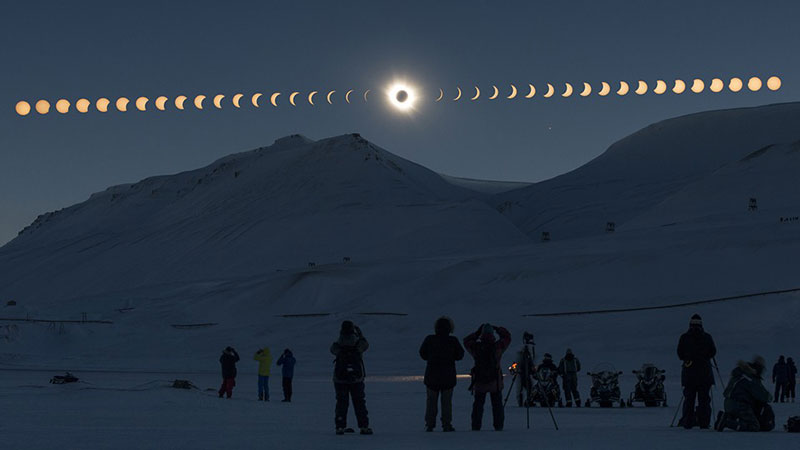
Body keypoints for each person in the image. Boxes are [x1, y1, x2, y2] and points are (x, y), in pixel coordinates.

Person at [419, 316, 465, 432]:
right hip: (448, 377)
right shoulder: (452, 341)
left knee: (431, 402)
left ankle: (430, 424)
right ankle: (446, 424)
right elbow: (460, 355)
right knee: (446, 403)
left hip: (432, 376)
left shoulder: (430, 339)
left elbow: (422, 353)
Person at [463, 323, 512, 431]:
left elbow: (466, 341)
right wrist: (499, 329)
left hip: (480, 381)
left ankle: (476, 426)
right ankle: (498, 426)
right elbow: (507, 337)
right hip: (495, 381)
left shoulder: (476, 347)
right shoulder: (498, 347)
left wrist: (476, 333)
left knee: (478, 405)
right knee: (497, 405)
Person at [331, 320, 372, 435]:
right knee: (359, 402)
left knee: (341, 403)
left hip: (340, 379)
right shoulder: (357, 343)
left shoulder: (339, 343)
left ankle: (340, 426)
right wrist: (360, 334)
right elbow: (366, 344)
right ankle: (364, 426)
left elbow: (332, 349)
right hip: (356, 379)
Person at [676, 314, 717, 429]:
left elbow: (679, 353)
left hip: (689, 375)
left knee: (689, 399)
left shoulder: (684, 337)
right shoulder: (707, 337)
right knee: (704, 400)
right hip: (705, 375)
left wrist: (688, 357)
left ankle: (687, 422)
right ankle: (704, 423)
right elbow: (713, 352)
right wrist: (704, 358)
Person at [714, 356, 774, 432]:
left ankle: (724, 418)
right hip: (740, 405)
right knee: (754, 426)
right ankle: (727, 422)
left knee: (744, 418)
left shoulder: (741, 374)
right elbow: (763, 395)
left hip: (728, 403)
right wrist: (769, 397)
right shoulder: (750, 378)